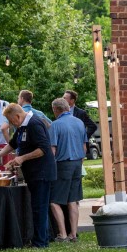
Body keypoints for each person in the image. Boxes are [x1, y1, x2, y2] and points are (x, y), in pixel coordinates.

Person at [0, 103, 57, 248]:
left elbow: (43, 149)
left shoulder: (34, 124)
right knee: (38, 206)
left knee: (39, 207)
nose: (11, 124)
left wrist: (21, 158)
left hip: (42, 172)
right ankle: (42, 238)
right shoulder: (22, 126)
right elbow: (12, 144)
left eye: (11, 120)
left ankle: (40, 242)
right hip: (33, 173)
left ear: (17, 116)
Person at [49, 97, 87, 242]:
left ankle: (63, 234)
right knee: (73, 200)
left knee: (54, 201)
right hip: (78, 164)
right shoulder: (79, 122)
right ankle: (74, 233)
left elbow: (52, 150)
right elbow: (84, 147)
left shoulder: (55, 125)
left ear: (56, 110)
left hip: (62, 164)